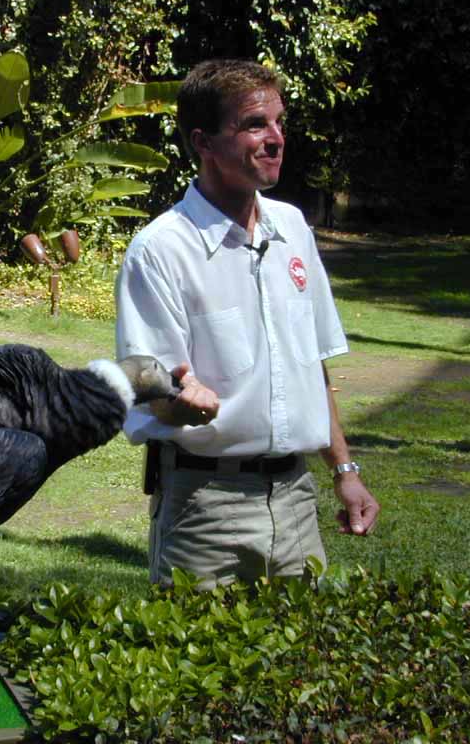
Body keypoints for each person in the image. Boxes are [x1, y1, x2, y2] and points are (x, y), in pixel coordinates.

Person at [115, 59, 379, 588]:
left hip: (296, 502)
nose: (276, 138)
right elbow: (152, 391)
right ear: (204, 142)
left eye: (279, 122)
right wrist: (181, 402)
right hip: (205, 511)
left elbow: (312, 367)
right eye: (255, 124)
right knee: (197, 643)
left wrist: (344, 471)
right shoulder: (161, 251)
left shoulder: (292, 229)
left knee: (306, 642)